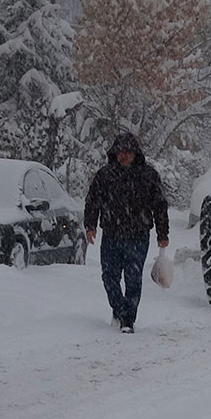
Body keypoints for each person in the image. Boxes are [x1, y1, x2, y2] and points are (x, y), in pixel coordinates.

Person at [84, 132, 169, 334]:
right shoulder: (104, 175)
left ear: (135, 154)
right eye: (120, 152)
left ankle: (128, 320)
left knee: (133, 278)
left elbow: (160, 206)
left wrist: (162, 234)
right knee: (109, 277)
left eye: (127, 152)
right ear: (114, 153)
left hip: (138, 236)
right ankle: (120, 308)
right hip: (111, 235)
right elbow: (92, 201)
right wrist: (90, 226)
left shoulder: (148, 176)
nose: (123, 156)